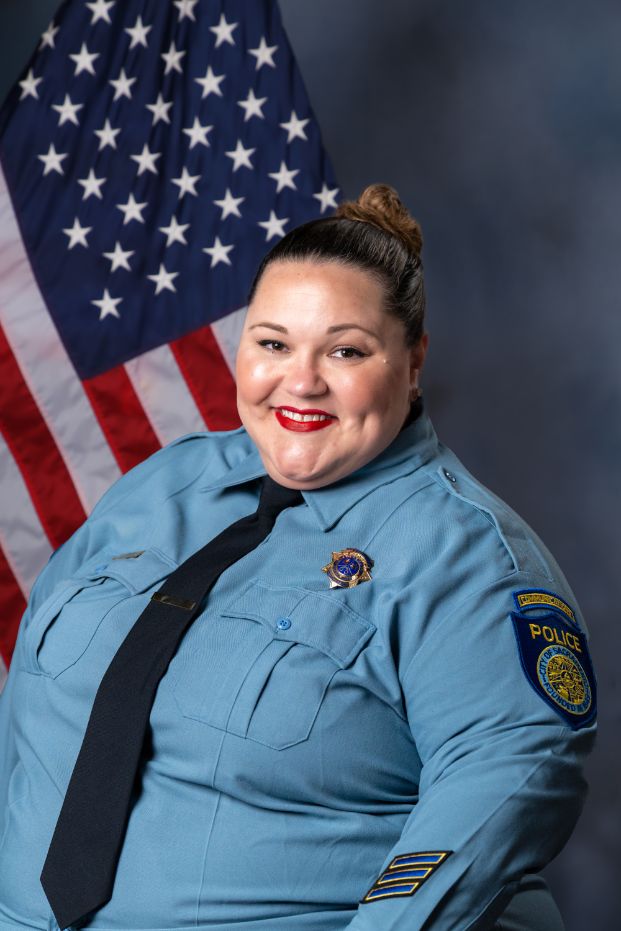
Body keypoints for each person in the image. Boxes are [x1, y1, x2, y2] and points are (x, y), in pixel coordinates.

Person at [0, 184, 596, 931]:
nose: (301, 380)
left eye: (345, 350)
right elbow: (30, 711)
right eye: (273, 342)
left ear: (413, 363)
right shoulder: (160, 486)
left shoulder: (468, 559)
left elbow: (508, 779)